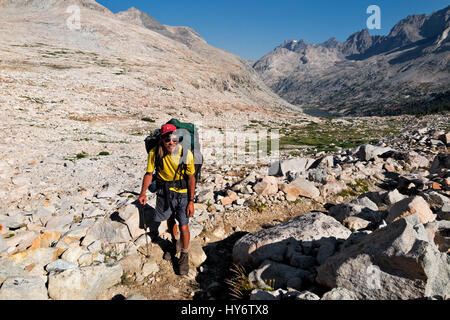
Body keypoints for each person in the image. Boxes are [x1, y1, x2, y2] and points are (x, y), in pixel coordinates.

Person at [138, 123, 196, 276]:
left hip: (182, 193)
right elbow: (149, 173)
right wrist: (143, 192)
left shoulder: (186, 154)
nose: (171, 142)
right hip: (164, 192)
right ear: (161, 140)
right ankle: (174, 243)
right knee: (169, 220)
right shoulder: (155, 153)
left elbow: (191, 177)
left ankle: (184, 255)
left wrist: (191, 200)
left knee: (184, 225)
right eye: (167, 139)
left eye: (174, 139)